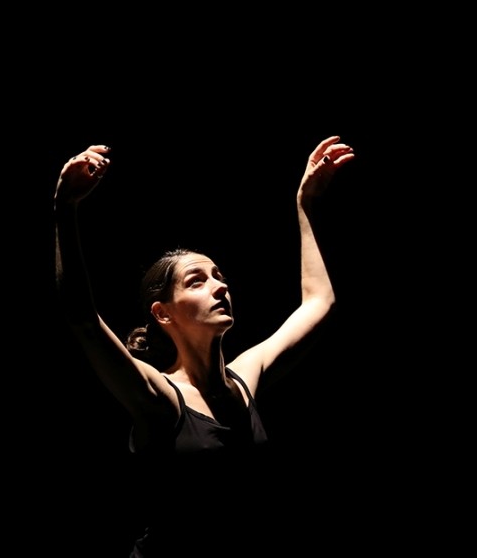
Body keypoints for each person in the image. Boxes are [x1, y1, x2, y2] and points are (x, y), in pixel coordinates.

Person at [54, 135, 355, 557]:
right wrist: (65, 208)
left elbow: (320, 302)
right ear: (163, 314)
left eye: (219, 277)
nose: (220, 287)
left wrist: (304, 203)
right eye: (197, 281)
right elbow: (84, 320)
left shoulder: (245, 377)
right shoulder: (160, 397)